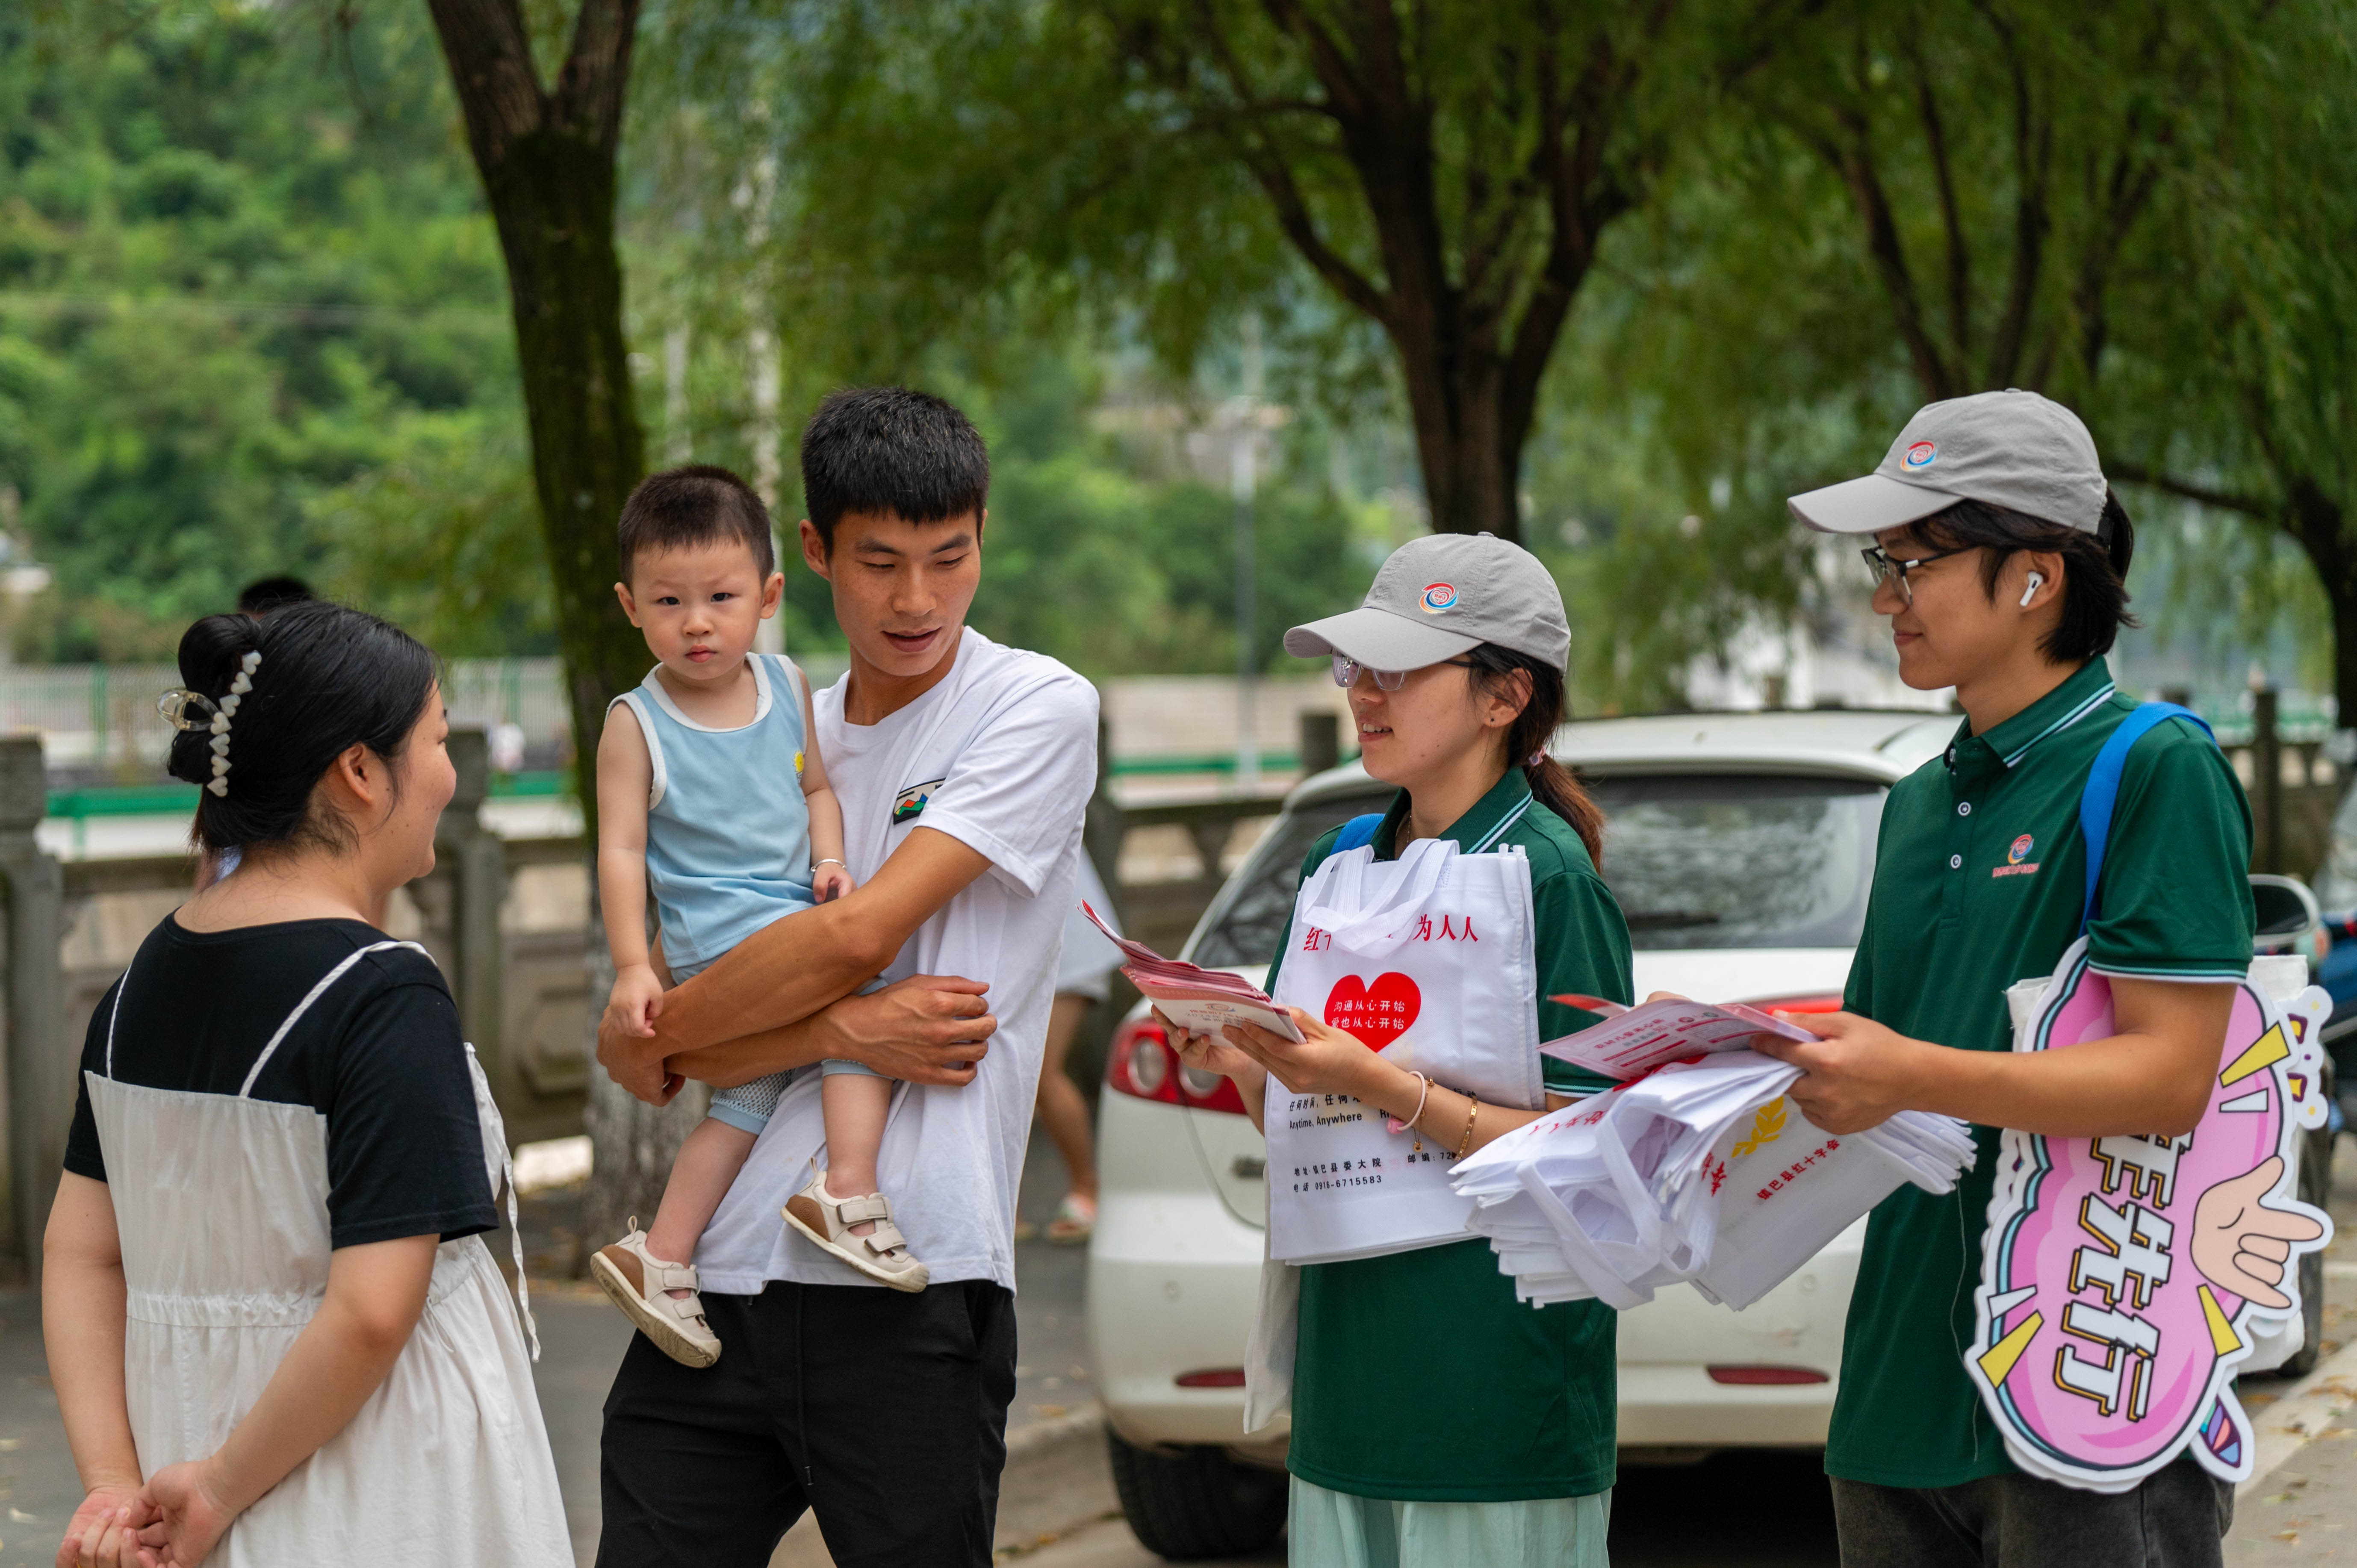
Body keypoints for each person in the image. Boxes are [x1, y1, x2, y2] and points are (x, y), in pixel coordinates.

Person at [592, 387, 1098, 1568]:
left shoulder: (1032, 705)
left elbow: (849, 935)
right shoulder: (761, 723)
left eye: (948, 558)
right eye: (878, 562)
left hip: (913, 1261)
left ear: (984, 538)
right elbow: (638, 1054)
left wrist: (731, 1029)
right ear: (812, 555)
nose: (915, 599)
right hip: (710, 1277)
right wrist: (853, 1035)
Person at [1765, 391, 2254, 1566]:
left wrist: (1904, 1073)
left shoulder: (2155, 765)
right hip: (1896, 1390)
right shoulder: (1920, 799)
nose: (1883, 596)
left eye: (1913, 560)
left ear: (2036, 576)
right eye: (1883, 562)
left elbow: (2172, 1074)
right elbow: (1877, 1065)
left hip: (2083, 1378)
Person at [44, 600, 567, 1568]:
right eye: (438, 740)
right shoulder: (381, 994)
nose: (449, 774)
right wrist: (220, 1487)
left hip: (186, 1466)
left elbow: (80, 1257)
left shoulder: (133, 991)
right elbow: (374, 1308)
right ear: (361, 772)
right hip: (377, 1484)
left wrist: (117, 1487)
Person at [1168, 532, 1632, 1568]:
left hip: (1492, 1386)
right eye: (1354, 668)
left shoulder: (1549, 880)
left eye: (1399, 670)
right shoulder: (1343, 865)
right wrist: (1242, 1059)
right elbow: (1307, 1119)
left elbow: (1593, 1151)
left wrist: (1378, 1082)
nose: (1363, 694)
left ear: (1504, 696)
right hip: (1349, 1380)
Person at [589, 466, 925, 1374]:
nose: (697, 621)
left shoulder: (785, 686)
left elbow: (814, 786)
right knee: (863, 1000)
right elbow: (620, 853)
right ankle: (847, 1190)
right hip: (713, 932)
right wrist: (634, 967)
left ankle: (660, 1251)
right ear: (630, 606)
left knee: (747, 1095)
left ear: (769, 596)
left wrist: (828, 857)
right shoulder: (636, 723)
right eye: (669, 600)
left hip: (787, 909)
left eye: (722, 597)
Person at [1019, 852, 1120, 1244]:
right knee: (1008, 1078)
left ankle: (1087, 1189)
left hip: (1067, 945)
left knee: (1041, 1075)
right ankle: (1006, 1205)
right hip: (1024, 942)